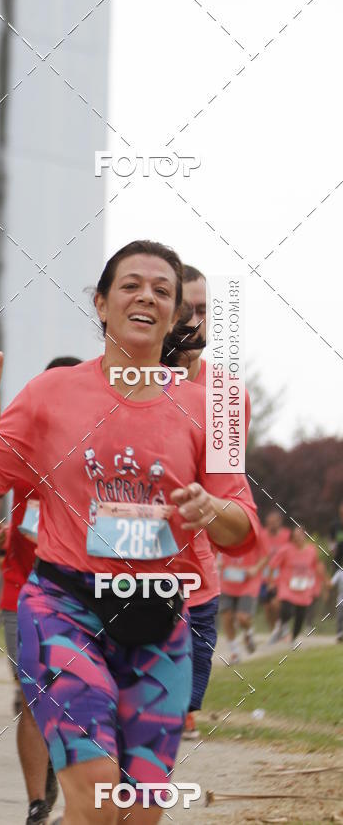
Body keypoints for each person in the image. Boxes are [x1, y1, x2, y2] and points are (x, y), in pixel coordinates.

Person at [0, 240, 260, 825]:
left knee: (138, 811)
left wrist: (208, 507)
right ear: (100, 303)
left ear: (175, 316)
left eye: (162, 290)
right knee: (93, 793)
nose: (147, 296)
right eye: (131, 284)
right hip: (66, 605)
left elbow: (242, 527)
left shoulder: (207, 410)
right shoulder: (50, 394)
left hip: (160, 617)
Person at [0, 356, 81, 825]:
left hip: (87, 593)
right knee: (32, 696)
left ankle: (75, 786)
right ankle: (38, 805)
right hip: (22, 587)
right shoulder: (21, 443)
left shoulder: (103, 448)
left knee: (78, 695)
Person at [178, 265, 251, 737]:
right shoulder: (117, 383)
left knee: (177, 717)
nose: (193, 322)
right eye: (184, 310)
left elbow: (228, 495)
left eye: (203, 311)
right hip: (118, 581)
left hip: (197, 584)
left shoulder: (226, 397)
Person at [217, 528, 270, 663]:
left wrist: (256, 569)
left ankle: (248, 633)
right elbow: (213, 548)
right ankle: (235, 652)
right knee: (227, 616)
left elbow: (266, 556)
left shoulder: (257, 533)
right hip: (227, 580)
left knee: (242, 618)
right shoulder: (223, 528)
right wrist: (215, 561)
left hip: (248, 582)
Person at [268, 527, 320, 644]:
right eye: (295, 538)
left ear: (304, 536)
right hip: (287, 586)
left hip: (303, 587)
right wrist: (271, 582)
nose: (297, 540)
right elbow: (272, 565)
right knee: (287, 610)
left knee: (300, 615)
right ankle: (281, 626)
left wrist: (314, 583)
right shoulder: (286, 550)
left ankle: (293, 639)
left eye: (299, 537)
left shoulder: (311, 550)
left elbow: (314, 567)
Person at [259, 510, 290, 630]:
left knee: (276, 603)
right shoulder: (262, 535)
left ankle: (281, 625)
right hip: (264, 577)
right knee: (267, 607)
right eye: (269, 523)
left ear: (279, 522)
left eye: (274, 522)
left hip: (281, 577)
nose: (271, 525)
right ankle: (273, 630)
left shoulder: (287, 535)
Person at [330, 566, 343, 642]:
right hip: (341, 601)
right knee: (340, 619)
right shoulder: (339, 573)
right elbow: (331, 584)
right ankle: (339, 635)